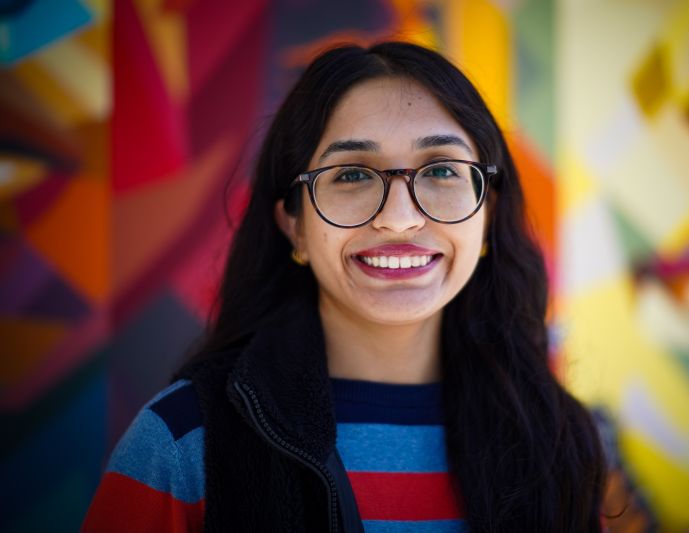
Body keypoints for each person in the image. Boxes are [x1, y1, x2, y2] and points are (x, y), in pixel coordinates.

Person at [82, 41, 607, 532]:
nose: (399, 219)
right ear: (295, 225)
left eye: (441, 171)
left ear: (488, 211)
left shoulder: (557, 439)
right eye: (352, 175)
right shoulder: (184, 441)